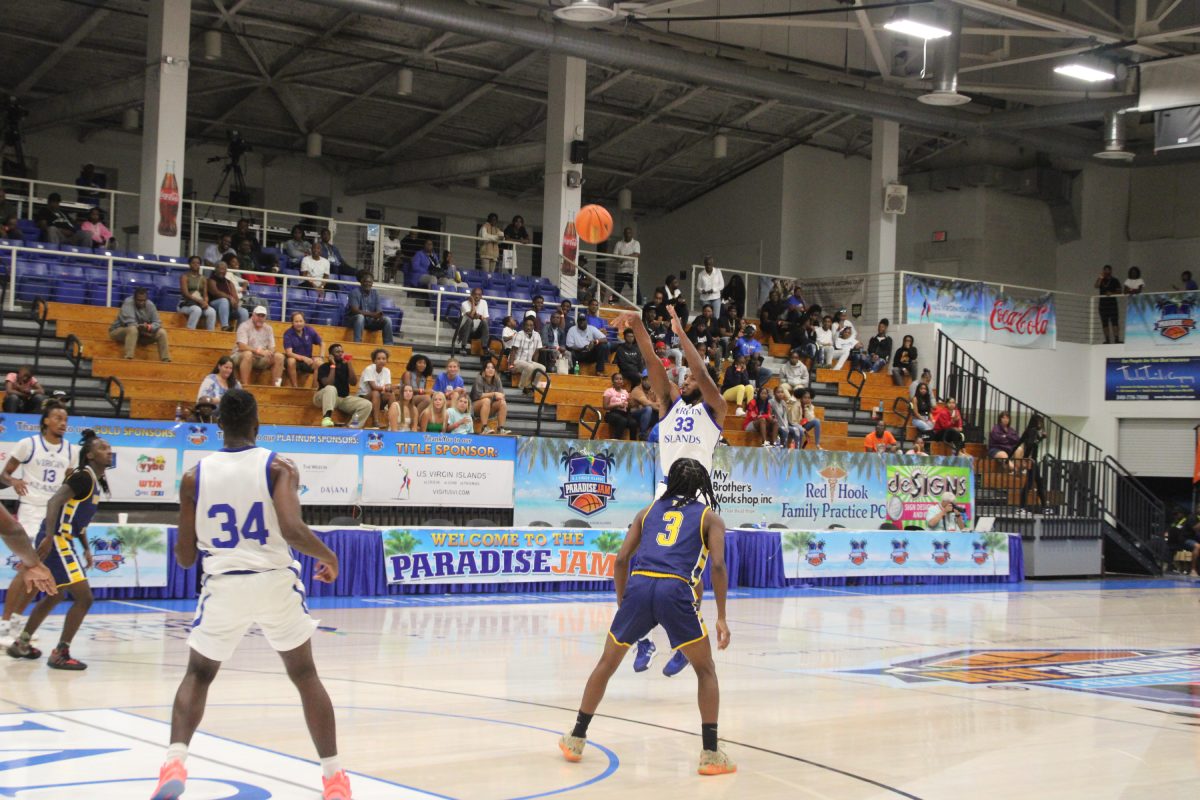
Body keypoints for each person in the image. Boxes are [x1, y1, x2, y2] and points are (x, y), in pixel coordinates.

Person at [149, 389, 351, 800]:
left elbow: (185, 557)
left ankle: (174, 762)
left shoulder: (193, 478)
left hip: (224, 584)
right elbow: (292, 530)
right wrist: (328, 555)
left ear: (218, 424)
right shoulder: (279, 466)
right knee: (305, 675)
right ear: (258, 425)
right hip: (274, 581)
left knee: (198, 674)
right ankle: (333, 779)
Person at [558, 458, 734, 776]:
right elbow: (718, 565)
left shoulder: (647, 511)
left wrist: (623, 601)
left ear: (671, 480)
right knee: (705, 670)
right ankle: (710, 754)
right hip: (675, 590)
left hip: (639, 586)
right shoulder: (710, 518)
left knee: (606, 663)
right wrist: (721, 616)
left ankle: (576, 738)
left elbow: (621, 559)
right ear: (701, 486)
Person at [613, 304, 727, 677]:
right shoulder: (668, 405)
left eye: (690, 377)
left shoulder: (715, 410)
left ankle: (683, 640)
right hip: (664, 493)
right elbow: (652, 362)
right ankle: (643, 639)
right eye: (683, 377)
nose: (686, 378)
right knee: (634, 561)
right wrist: (638, 325)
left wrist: (681, 334)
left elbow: (702, 371)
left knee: (687, 575)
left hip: (697, 498)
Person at [5, 429, 111, 670]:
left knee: (56, 594)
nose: (108, 451)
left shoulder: (93, 480)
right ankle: (61, 653)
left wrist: (86, 548)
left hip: (65, 538)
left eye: (109, 448)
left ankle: (22, 643)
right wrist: (50, 536)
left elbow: (77, 520)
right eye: (103, 448)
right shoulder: (82, 476)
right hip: (58, 539)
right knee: (85, 598)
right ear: (90, 455)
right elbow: (54, 502)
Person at [0, 402, 72, 641]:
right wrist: (14, 481)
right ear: (46, 421)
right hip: (31, 510)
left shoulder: (70, 450)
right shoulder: (28, 444)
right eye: (58, 418)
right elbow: (4, 474)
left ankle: (16, 623)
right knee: (28, 566)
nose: (63, 423)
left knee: (40, 568)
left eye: (65, 419)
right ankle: (4, 624)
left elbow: (69, 484)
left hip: (53, 515)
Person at [314, 344, 371, 429]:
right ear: (331, 355)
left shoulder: (345, 366)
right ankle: (326, 418)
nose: (341, 354)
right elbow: (328, 383)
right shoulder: (324, 367)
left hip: (341, 399)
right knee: (331, 388)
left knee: (366, 404)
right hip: (323, 397)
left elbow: (353, 382)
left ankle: (352, 427)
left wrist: (349, 363)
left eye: (342, 352)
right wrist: (333, 365)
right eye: (337, 352)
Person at [110, 287, 171, 362]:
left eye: (143, 300)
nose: (141, 302)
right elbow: (130, 323)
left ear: (146, 299)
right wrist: (143, 330)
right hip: (119, 331)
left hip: (141, 334)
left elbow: (157, 322)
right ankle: (128, 358)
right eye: (139, 300)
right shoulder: (128, 302)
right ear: (134, 298)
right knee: (132, 329)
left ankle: (166, 360)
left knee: (162, 332)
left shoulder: (150, 305)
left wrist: (149, 327)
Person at [232, 306, 284, 387]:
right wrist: (259, 351)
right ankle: (245, 385)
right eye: (258, 315)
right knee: (248, 354)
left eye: (262, 316)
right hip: (240, 355)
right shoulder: (244, 326)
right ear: (253, 315)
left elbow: (272, 347)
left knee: (279, 357)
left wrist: (270, 352)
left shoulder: (268, 328)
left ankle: (276, 387)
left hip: (260, 357)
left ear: (265, 317)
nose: (260, 318)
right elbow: (241, 346)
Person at [345, 271, 394, 346]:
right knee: (360, 317)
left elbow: (378, 311)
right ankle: (357, 343)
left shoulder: (375, 293)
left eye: (370, 282)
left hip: (370, 322)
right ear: (361, 282)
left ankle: (389, 345)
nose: (368, 284)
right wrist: (372, 314)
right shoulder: (354, 293)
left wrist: (379, 315)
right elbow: (355, 310)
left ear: (372, 284)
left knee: (387, 320)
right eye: (366, 282)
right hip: (354, 321)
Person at [1014, 414, 1048, 510]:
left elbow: (1033, 444)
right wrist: (1026, 459)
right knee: (1030, 484)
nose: (1040, 424)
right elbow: (1029, 445)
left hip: (1033, 460)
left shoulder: (1033, 431)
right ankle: (1022, 507)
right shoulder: (1031, 431)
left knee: (1038, 483)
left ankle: (1044, 506)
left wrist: (1041, 438)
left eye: (1041, 422)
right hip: (1031, 460)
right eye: (1039, 422)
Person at [283, 311, 324, 388]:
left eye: (301, 321)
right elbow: (289, 353)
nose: (299, 324)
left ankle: (314, 390)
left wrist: (321, 357)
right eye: (296, 321)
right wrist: (303, 358)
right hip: (295, 360)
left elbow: (322, 343)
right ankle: (295, 387)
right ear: (292, 323)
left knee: (320, 364)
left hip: (308, 361)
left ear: (304, 322)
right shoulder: (288, 333)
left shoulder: (310, 330)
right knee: (291, 361)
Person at [208, 260, 249, 331]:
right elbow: (215, 292)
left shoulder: (229, 282)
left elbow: (235, 297)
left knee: (244, 312)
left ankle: (239, 333)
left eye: (224, 269)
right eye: (220, 269)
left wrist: (236, 303)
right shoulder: (211, 280)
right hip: (214, 305)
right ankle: (225, 326)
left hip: (229, 307)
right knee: (224, 301)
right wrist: (229, 298)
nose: (222, 271)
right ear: (216, 269)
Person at [471, 360, 511, 434]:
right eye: (488, 368)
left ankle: (501, 429)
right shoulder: (479, 378)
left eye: (492, 368)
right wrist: (494, 394)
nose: (490, 369)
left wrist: (500, 396)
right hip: (475, 407)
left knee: (502, 403)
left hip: (489, 407)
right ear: (484, 370)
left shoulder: (497, 379)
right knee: (486, 400)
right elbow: (478, 395)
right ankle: (484, 428)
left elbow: (501, 394)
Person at [177, 256, 217, 330]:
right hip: (186, 304)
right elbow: (185, 294)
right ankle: (190, 331)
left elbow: (205, 295)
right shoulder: (184, 277)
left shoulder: (203, 278)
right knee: (196, 310)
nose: (196, 264)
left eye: (198, 263)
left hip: (199, 304)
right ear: (189, 264)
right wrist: (199, 301)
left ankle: (210, 334)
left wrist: (205, 302)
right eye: (193, 263)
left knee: (212, 312)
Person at [509, 316, 546, 393]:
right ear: (523, 326)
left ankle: (533, 387)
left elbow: (537, 352)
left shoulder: (537, 335)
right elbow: (513, 351)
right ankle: (522, 387)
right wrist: (511, 366)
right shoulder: (519, 334)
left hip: (529, 362)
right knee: (530, 367)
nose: (528, 327)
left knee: (542, 368)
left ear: (534, 326)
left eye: (531, 325)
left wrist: (535, 363)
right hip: (516, 361)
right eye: (527, 325)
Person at [357, 348, 393, 429]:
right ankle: (375, 421)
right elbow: (373, 387)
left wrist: (390, 388)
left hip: (379, 397)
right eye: (378, 359)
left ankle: (392, 421)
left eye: (384, 359)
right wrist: (387, 388)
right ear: (374, 360)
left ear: (387, 360)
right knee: (375, 392)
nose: (381, 361)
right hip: (364, 397)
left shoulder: (387, 371)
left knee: (390, 395)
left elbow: (388, 387)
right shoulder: (369, 369)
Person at [454, 287, 489, 355]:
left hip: (476, 331)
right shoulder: (464, 304)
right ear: (471, 295)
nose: (477, 296)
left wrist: (480, 317)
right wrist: (473, 303)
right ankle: (463, 347)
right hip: (464, 331)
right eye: (475, 294)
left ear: (481, 296)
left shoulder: (484, 302)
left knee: (485, 322)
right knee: (470, 320)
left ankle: (484, 347)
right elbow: (471, 315)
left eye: (479, 295)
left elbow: (486, 318)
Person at [602, 373, 636, 440]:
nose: (619, 381)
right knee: (622, 420)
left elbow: (629, 406)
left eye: (621, 379)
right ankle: (616, 440)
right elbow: (605, 406)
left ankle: (633, 442)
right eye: (617, 379)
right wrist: (617, 404)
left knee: (633, 423)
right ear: (613, 381)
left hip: (624, 413)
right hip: (611, 413)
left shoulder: (625, 392)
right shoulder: (609, 391)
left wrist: (631, 403)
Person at [628, 371, 660, 440]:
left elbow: (660, 403)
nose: (648, 382)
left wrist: (659, 408)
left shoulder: (654, 389)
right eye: (646, 380)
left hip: (649, 413)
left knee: (662, 412)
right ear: (641, 380)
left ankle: (657, 434)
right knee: (648, 409)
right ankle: (642, 434)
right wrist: (656, 406)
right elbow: (646, 403)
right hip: (635, 414)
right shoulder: (637, 390)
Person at [1095, 265, 1123, 345]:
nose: (1106, 272)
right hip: (1103, 304)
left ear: (1111, 271)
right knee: (1104, 322)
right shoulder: (1101, 280)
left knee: (1115, 322)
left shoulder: (1115, 280)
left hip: (1112, 304)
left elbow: (1120, 291)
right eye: (1105, 270)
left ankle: (1116, 339)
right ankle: (1107, 340)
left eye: (1108, 270)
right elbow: (1096, 286)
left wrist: (1112, 293)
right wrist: (1100, 278)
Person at [612, 227, 640, 300]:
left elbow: (636, 255)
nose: (628, 235)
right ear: (624, 234)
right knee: (616, 292)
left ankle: (639, 306)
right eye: (626, 233)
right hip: (620, 271)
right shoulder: (619, 243)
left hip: (632, 272)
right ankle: (613, 304)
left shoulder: (636, 243)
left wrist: (623, 257)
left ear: (632, 234)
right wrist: (625, 257)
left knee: (637, 292)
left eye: (629, 233)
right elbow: (615, 256)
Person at [697, 256, 724, 322]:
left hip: (716, 298)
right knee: (706, 317)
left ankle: (715, 328)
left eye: (710, 264)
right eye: (707, 264)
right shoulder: (701, 274)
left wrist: (713, 290)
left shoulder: (718, 272)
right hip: (705, 299)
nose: (708, 266)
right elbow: (698, 287)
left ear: (712, 264)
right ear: (704, 264)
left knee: (716, 317)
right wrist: (702, 291)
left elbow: (722, 285)